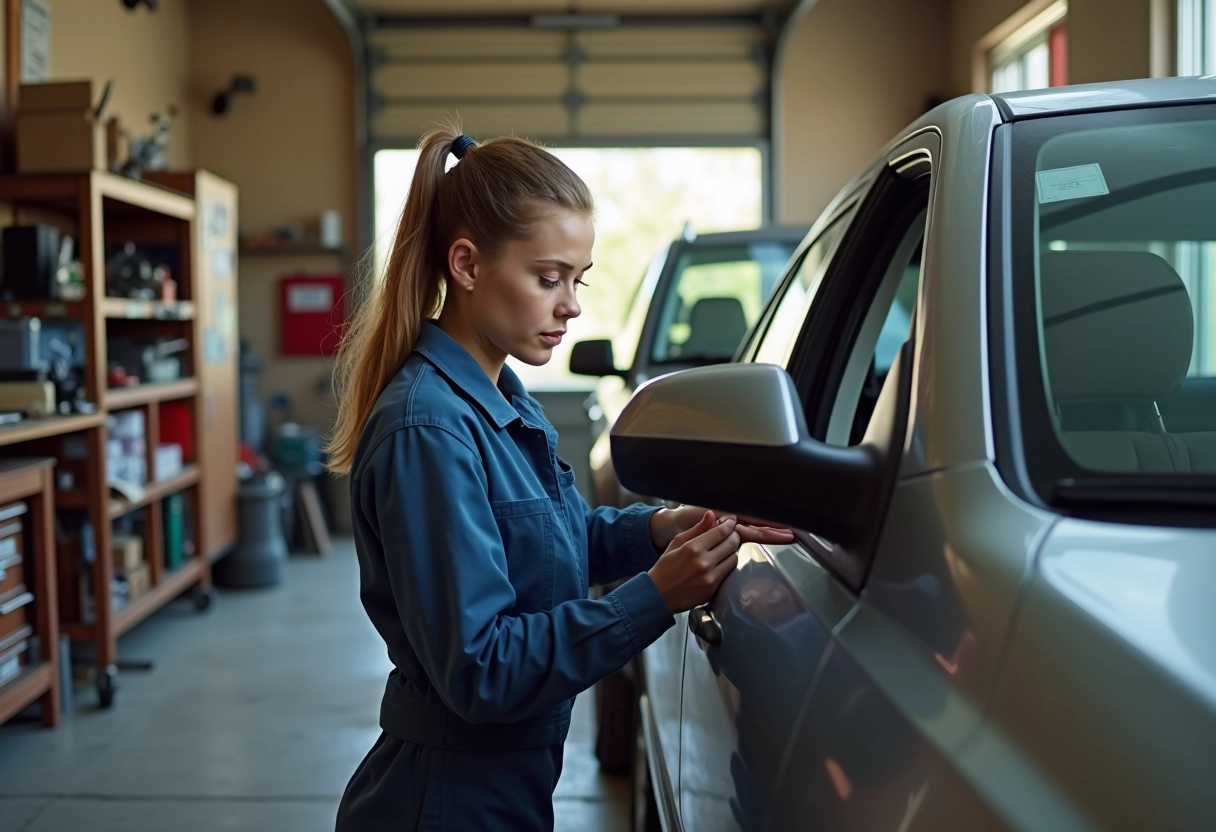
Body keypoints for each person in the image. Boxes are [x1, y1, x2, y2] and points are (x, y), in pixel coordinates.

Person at [326, 128, 793, 831]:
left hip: (506, 782)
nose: (572, 305)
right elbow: (482, 668)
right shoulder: (429, 430)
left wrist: (660, 528)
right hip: (448, 800)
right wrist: (654, 596)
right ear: (466, 264)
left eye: (580, 279)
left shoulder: (503, 398)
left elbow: (552, 542)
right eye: (549, 278)